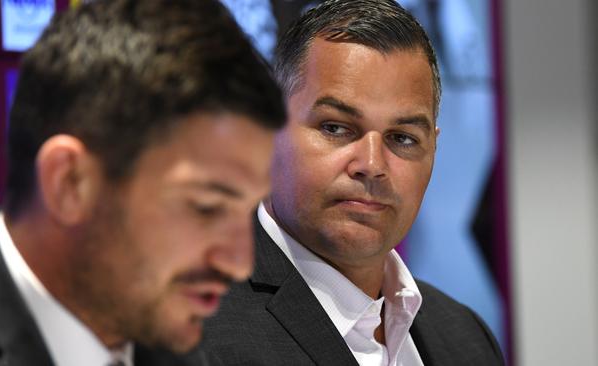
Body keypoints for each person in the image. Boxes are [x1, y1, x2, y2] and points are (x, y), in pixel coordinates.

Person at [0, 0, 286, 365]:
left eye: (248, 207)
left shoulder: (175, 345)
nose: (240, 263)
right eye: (206, 208)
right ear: (70, 183)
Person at [202, 0, 504, 365]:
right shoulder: (191, 330)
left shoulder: (466, 338)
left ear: (433, 150)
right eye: (336, 128)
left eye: (402, 138)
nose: (372, 165)